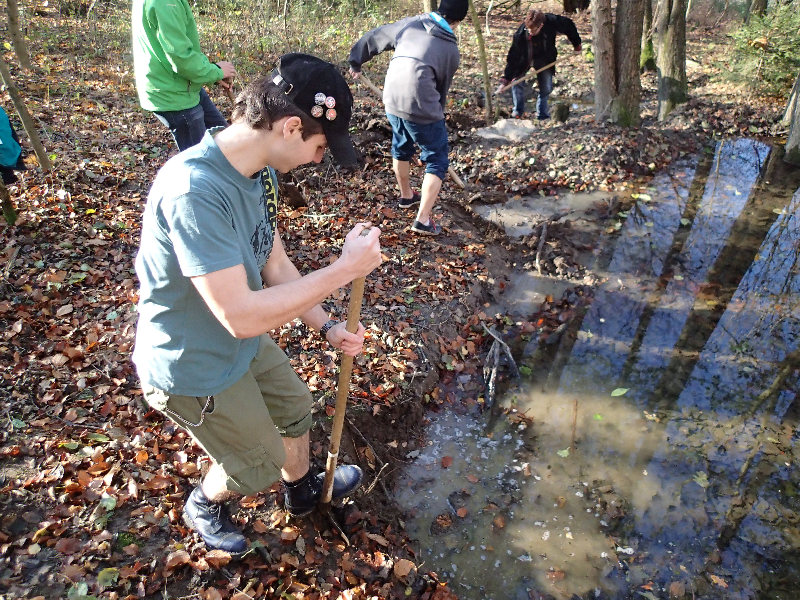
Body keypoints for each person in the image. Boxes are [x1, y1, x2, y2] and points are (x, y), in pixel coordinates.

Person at [133, 53, 382, 554]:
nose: (318, 160)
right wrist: (343, 270)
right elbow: (241, 316)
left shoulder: (257, 173)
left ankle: (301, 488)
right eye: (318, 147)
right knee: (257, 464)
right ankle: (204, 501)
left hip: (232, 341)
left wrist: (328, 327)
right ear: (291, 127)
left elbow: (274, 263)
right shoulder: (194, 192)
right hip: (191, 362)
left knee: (295, 408)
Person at [347, 0, 469, 237]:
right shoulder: (450, 49)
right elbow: (441, 91)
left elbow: (377, 36)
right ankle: (423, 220)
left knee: (401, 145)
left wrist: (356, 60)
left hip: (392, 99)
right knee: (437, 158)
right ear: (457, 22)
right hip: (421, 104)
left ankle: (406, 196)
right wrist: (436, 118)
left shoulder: (412, 24)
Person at [132, 0, 238, 151]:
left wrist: (211, 70)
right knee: (201, 162)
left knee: (225, 140)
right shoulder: (166, 3)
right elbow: (181, 57)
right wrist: (216, 72)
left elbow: (177, 47)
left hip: (185, 86)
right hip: (175, 96)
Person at [497, 9, 581, 120]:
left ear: (541, 25)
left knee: (546, 87)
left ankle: (542, 114)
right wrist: (506, 79)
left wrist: (577, 45)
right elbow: (513, 57)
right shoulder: (520, 34)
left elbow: (569, 25)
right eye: (528, 29)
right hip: (524, 60)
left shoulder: (552, 21)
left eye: (533, 30)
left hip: (545, 59)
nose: (530, 32)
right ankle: (517, 111)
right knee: (516, 82)